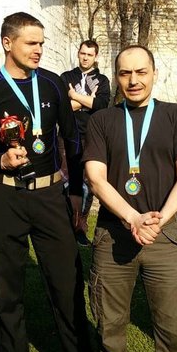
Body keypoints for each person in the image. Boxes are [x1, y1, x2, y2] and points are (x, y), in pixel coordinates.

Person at [0, 12, 96, 352]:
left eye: (41, 43)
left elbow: (72, 140)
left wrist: (76, 193)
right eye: (31, 43)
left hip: (50, 195)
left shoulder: (53, 83)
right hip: (4, 196)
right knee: (7, 286)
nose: (39, 49)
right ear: (8, 43)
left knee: (66, 281)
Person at [84, 45, 177, 352]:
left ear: (154, 73)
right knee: (109, 327)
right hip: (113, 236)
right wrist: (132, 218)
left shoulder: (176, 116)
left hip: (163, 235)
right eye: (125, 73)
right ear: (116, 76)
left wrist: (159, 219)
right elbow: (96, 178)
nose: (133, 81)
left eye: (141, 72)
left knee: (174, 331)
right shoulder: (102, 119)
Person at [61, 40, 111, 245]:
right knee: (65, 181)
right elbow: (62, 106)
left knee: (88, 183)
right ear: (78, 53)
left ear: (95, 56)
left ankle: (80, 226)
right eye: (83, 53)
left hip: (91, 137)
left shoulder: (102, 80)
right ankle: (65, 225)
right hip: (67, 136)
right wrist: (87, 100)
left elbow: (101, 105)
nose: (85, 58)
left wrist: (74, 96)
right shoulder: (66, 77)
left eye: (89, 55)